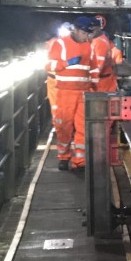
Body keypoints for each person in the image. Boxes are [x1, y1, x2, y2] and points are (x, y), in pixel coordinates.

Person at [48, 16, 97, 171]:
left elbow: (93, 67)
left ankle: (79, 161)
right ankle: (63, 157)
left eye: (88, 34)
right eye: (84, 33)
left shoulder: (89, 45)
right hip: (65, 93)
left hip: (83, 92)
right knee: (63, 126)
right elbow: (48, 65)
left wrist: (94, 86)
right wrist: (66, 63)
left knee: (83, 127)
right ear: (75, 30)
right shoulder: (60, 44)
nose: (86, 36)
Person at [45, 22, 72, 129]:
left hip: (66, 81)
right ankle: (59, 126)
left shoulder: (75, 44)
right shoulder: (52, 43)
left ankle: (64, 125)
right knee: (57, 106)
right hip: (55, 80)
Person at [90, 15, 119, 92]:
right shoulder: (96, 40)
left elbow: (98, 66)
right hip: (102, 81)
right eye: (89, 28)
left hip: (102, 84)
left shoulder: (100, 42)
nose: (91, 31)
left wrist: (86, 79)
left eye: (93, 28)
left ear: (99, 28)